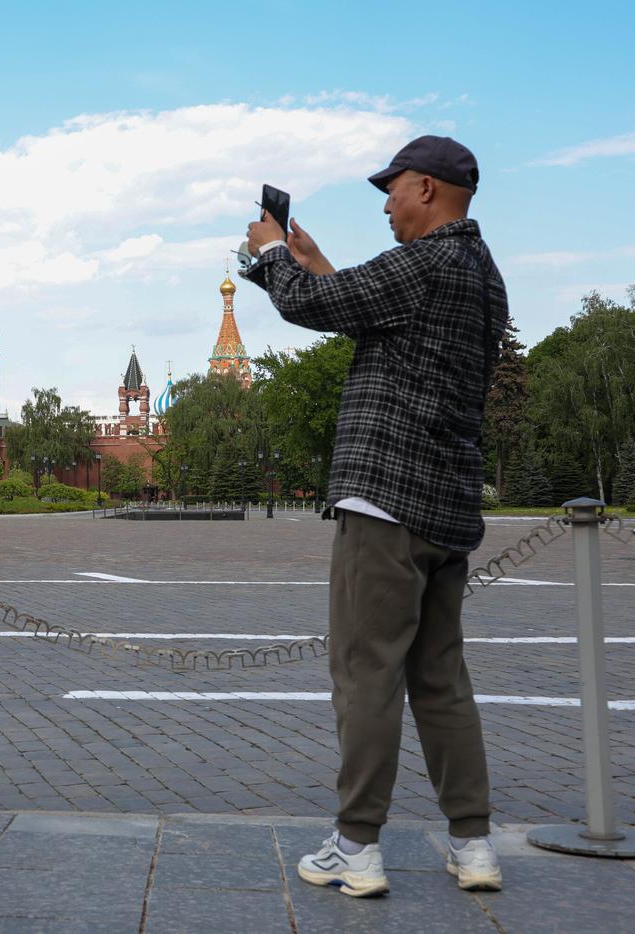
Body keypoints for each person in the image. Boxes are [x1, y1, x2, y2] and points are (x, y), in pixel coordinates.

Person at [241, 136, 507, 897]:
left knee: (367, 675)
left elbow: (313, 308)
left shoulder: (425, 263)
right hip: (447, 507)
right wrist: (314, 260)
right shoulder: (482, 274)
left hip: (385, 502)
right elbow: (364, 308)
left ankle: (355, 846)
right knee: (441, 678)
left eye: (391, 191)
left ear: (425, 188)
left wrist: (270, 254)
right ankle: (473, 844)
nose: (386, 206)